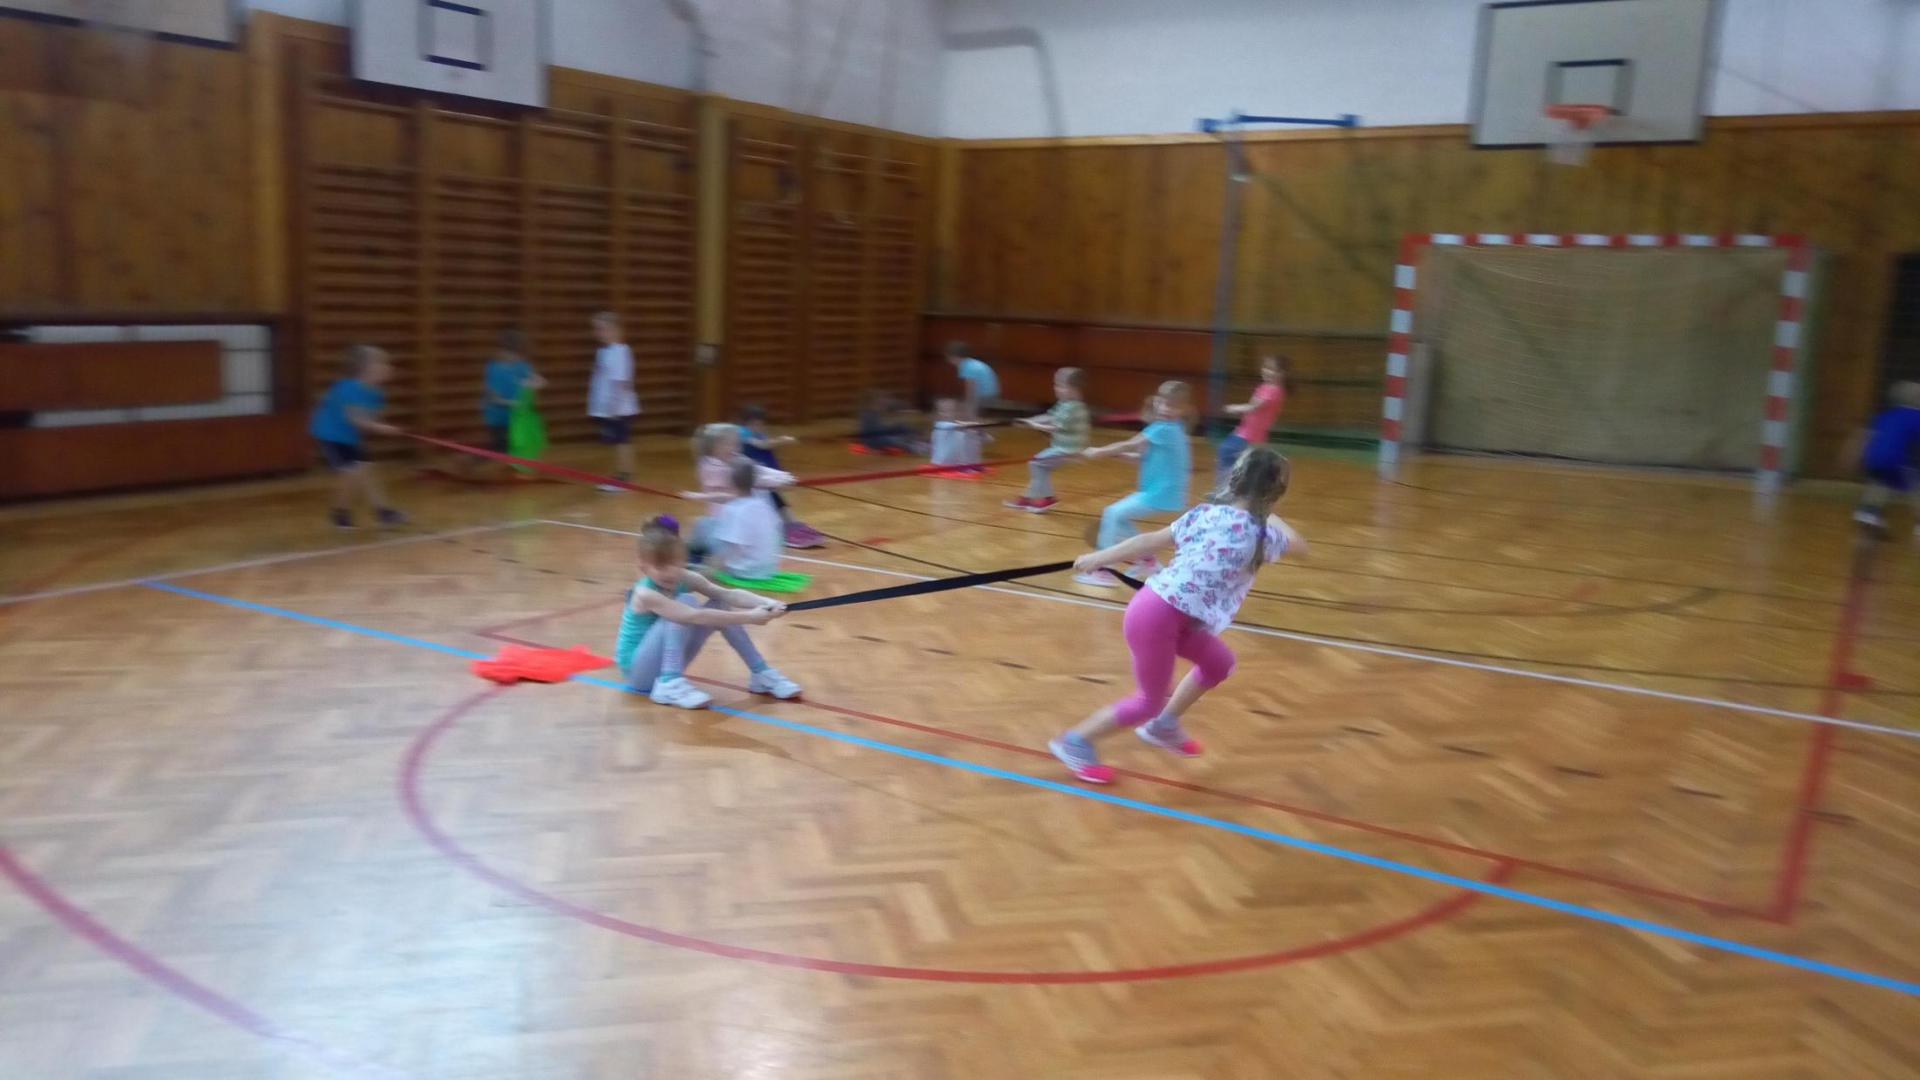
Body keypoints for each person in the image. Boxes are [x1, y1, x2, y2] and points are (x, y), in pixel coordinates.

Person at [1049, 447, 1304, 784]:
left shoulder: (1207, 514)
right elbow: (1299, 545)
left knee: (1219, 663)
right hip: (1156, 616)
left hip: (1171, 615)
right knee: (1147, 702)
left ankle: (1164, 726)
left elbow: (1148, 541)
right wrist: (1267, 511)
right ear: (1274, 492)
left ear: (1235, 480)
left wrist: (1100, 557)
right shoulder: (1262, 532)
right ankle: (1075, 742)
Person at [616, 516, 803, 710]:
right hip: (638, 673)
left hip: (664, 661)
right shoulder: (644, 594)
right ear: (643, 567)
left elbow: (728, 594)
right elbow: (692, 616)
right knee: (684, 603)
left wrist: (768, 603)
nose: (671, 572)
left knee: (719, 603)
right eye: (661, 567)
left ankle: (760, 673)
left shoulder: (685, 578)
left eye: (676, 564)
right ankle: (669, 682)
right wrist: (750, 617)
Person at [1074, 381, 1193, 585]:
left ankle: (1103, 570)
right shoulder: (1174, 429)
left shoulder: (1163, 428)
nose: (1165, 409)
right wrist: (1108, 455)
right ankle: (1147, 561)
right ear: (1156, 401)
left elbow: (1130, 444)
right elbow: (1140, 457)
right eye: (1163, 403)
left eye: (1172, 406)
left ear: (1183, 409)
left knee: (1112, 513)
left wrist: (1100, 451)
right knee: (1120, 518)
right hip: (1164, 492)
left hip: (1160, 493)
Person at [309, 344, 406, 530]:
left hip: (350, 436)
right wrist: (381, 428)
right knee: (352, 472)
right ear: (367, 368)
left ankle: (382, 512)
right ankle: (340, 513)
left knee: (366, 471)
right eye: (382, 363)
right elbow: (356, 419)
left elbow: (371, 418)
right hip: (331, 434)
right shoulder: (348, 388)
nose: (388, 367)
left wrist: (381, 426)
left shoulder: (377, 393)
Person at [683, 423, 796, 564]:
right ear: (716, 447)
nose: (737, 449)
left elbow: (757, 470)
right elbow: (753, 478)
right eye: (731, 445)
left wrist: (783, 475)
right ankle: (695, 555)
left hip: (736, 523)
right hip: (723, 523)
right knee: (700, 526)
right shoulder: (711, 467)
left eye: (737, 445)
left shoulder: (734, 460)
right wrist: (779, 481)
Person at [737, 404, 825, 548]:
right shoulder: (742, 433)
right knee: (770, 500)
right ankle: (786, 528)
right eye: (757, 423)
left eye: (761, 423)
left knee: (775, 498)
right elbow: (762, 445)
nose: (760, 426)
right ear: (750, 422)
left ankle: (791, 523)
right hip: (750, 477)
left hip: (761, 476)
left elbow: (766, 448)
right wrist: (782, 440)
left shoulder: (757, 433)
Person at [1005, 367, 1091, 513]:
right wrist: (1027, 421)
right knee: (1039, 467)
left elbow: (1056, 427)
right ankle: (1028, 498)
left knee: (1036, 464)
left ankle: (1047, 498)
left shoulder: (1073, 407)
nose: (1056, 389)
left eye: (1061, 386)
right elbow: (1049, 416)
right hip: (1062, 447)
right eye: (1055, 384)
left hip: (1069, 449)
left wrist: (1034, 425)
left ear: (1074, 389)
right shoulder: (1064, 404)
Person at [473, 329, 545, 477]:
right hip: (495, 415)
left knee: (512, 443)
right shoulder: (492, 368)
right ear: (501, 351)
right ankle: (471, 460)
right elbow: (492, 397)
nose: (513, 358)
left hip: (514, 417)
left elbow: (539, 381)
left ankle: (512, 467)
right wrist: (512, 403)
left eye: (516, 354)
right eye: (510, 354)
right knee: (499, 446)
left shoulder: (522, 366)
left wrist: (533, 384)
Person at [1852, 380, 1920, 535]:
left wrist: (1858, 455)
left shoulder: (1884, 416)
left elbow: (1867, 436)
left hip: (1874, 457)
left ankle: (1868, 512)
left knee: (1880, 484)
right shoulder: (1916, 416)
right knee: (1916, 488)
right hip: (1897, 459)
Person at [588, 311, 639, 492]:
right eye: (596, 329)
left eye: (602, 329)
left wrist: (613, 408)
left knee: (622, 441)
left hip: (618, 408)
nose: (598, 333)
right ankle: (619, 473)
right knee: (617, 441)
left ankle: (624, 477)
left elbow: (620, 382)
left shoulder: (620, 352)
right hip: (609, 408)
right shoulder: (604, 352)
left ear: (616, 330)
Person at [1216, 354, 1287, 482]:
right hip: (1250, 434)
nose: (1266, 371)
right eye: (1265, 367)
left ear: (1281, 374)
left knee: (1226, 451)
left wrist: (1233, 408)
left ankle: (1224, 488)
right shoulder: (1266, 388)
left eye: (1272, 369)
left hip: (1249, 436)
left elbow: (1253, 407)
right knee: (1243, 464)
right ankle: (1229, 487)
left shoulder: (1272, 390)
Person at [947, 340, 999, 420]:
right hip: (990, 394)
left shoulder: (967, 367)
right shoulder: (971, 363)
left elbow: (970, 390)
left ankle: (971, 422)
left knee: (963, 408)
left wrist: (967, 406)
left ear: (954, 357)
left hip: (985, 396)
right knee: (961, 405)